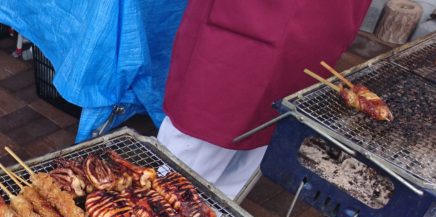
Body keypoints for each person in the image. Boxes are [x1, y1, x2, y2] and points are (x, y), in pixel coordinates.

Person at [158, 0, 373, 199]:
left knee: (273, 122)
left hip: (326, 18)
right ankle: (157, 207)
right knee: (208, 118)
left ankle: (217, 210)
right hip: (249, 16)